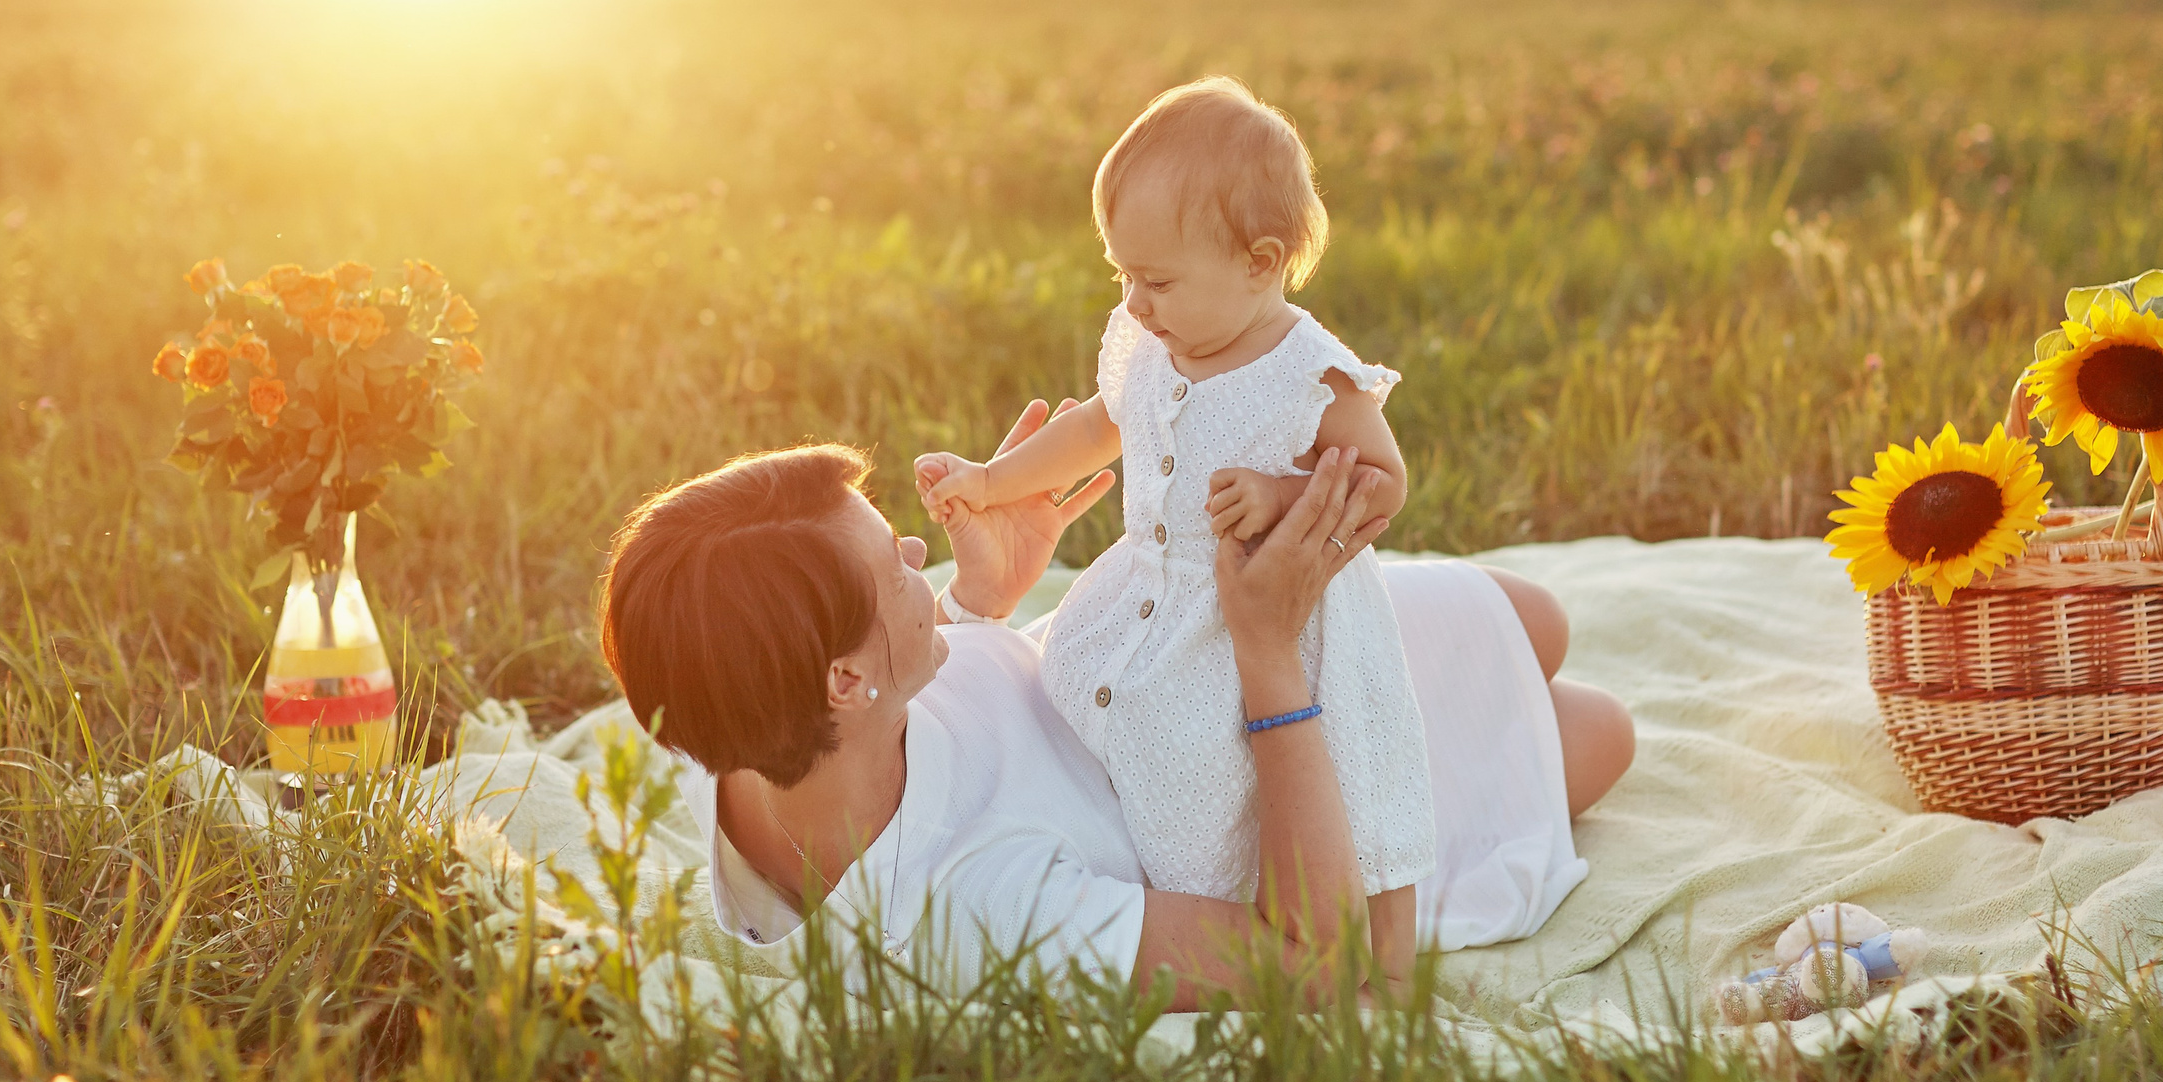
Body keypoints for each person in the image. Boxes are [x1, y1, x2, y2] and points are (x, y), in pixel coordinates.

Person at [599, 403, 1634, 1009]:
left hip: (1142, 674)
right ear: (843, 677)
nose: (917, 551)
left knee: (1532, 619)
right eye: (896, 570)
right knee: (1598, 738)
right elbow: (1306, 965)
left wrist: (976, 604)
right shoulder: (975, 913)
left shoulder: (728, 721)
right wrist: (1270, 655)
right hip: (1240, 789)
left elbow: (879, 727)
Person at [913, 77, 1436, 976]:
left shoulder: (1310, 373)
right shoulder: (1153, 347)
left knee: (1254, 787)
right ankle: (1146, 880)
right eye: (1122, 274)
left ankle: (1305, 937)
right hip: (1155, 603)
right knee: (1141, 753)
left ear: (1260, 263)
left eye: (1155, 279)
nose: (1136, 302)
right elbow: (1092, 427)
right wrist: (993, 482)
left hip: (1280, 625)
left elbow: (1385, 482)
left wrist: (1282, 492)